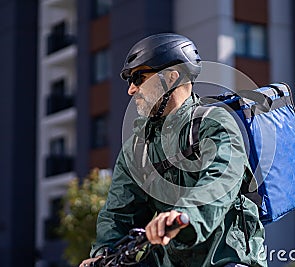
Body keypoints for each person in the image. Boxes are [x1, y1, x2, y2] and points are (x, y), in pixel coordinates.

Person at [79, 33, 267, 267]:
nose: (131, 90)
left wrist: (183, 216)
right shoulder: (138, 148)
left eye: (139, 77)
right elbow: (119, 214)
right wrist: (103, 253)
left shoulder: (214, 124)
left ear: (171, 78)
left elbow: (220, 181)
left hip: (226, 259)